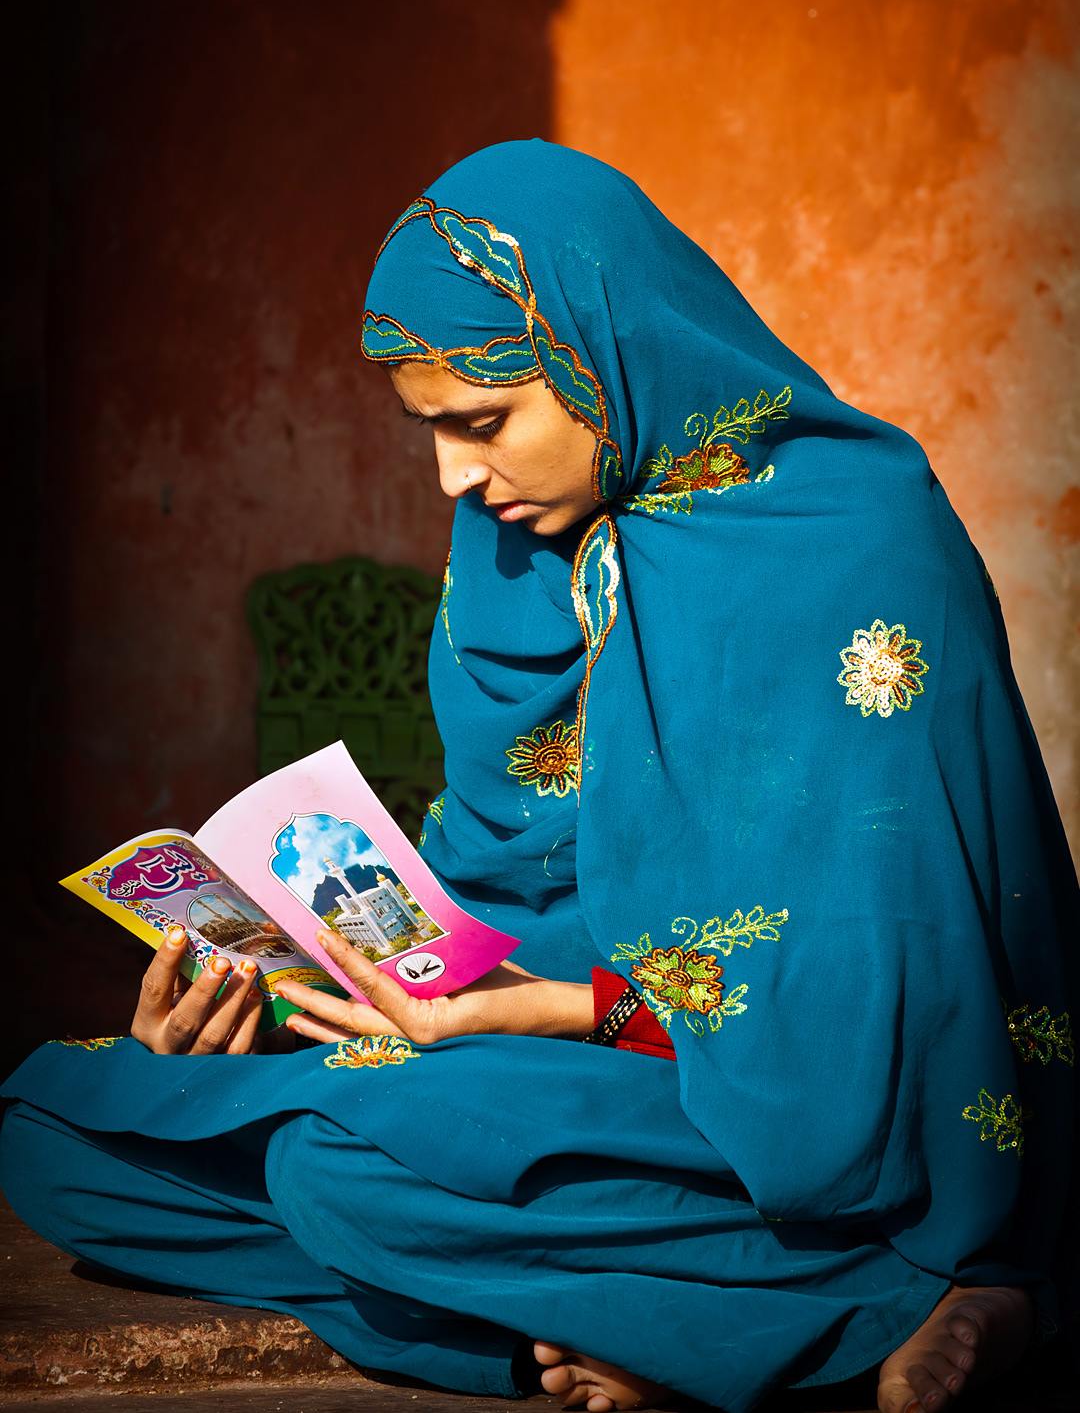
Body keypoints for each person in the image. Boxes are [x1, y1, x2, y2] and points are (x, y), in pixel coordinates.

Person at [1, 141, 1075, 1413]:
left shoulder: (858, 554)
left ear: (597, 358)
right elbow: (484, 891)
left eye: (483, 423)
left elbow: (880, 1018)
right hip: (525, 1060)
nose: (456, 477)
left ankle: (916, 1290)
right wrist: (261, 1008)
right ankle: (606, 1331)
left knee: (342, 1172)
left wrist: (558, 1012)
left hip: (758, 1104)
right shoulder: (511, 565)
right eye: (431, 431)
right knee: (60, 1129)